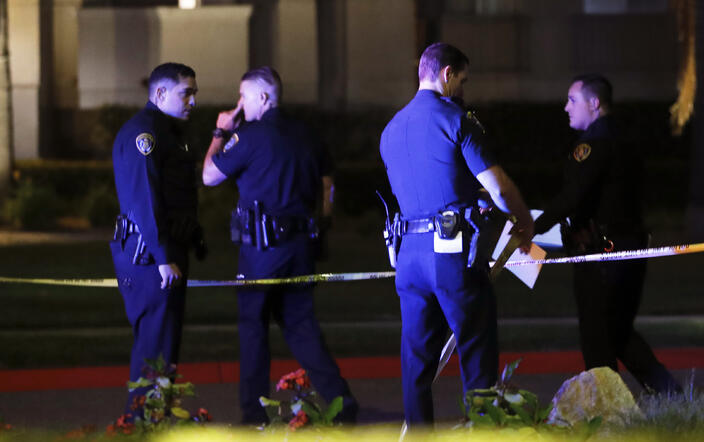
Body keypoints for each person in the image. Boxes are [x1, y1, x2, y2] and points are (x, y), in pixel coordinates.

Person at [379, 42, 534, 426]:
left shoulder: (391, 129)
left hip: (408, 256)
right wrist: (524, 220)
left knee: (416, 363)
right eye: (462, 80)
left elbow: (422, 185)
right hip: (451, 255)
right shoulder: (455, 120)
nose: (464, 90)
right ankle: (482, 431)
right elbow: (498, 187)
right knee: (476, 351)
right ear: (447, 74)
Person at [202, 66, 357, 425]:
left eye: (244, 96)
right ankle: (341, 400)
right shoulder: (306, 132)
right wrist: (325, 221)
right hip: (301, 245)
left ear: (264, 97)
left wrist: (220, 132)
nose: (239, 104)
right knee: (301, 325)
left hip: (261, 250)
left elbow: (209, 175)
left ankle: (253, 413)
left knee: (253, 325)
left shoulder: (250, 136)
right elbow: (327, 182)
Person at [533, 74, 681, 396]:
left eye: (573, 100)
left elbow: (574, 197)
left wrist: (532, 227)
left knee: (598, 339)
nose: (566, 107)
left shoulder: (592, 144)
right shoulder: (627, 138)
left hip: (601, 253)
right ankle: (670, 395)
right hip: (630, 248)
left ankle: (608, 409)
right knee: (619, 332)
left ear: (594, 103)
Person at [111, 62, 205, 419]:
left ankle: (154, 421)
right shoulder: (145, 134)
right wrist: (164, 255)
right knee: (155, 349)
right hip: (149, 257)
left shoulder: (168, 132)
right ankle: (141, 425)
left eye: (194, 92)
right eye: (187, 93)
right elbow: (144, 200)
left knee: (163, 349)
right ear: (161, 93)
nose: (193, 101)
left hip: (159, 253)